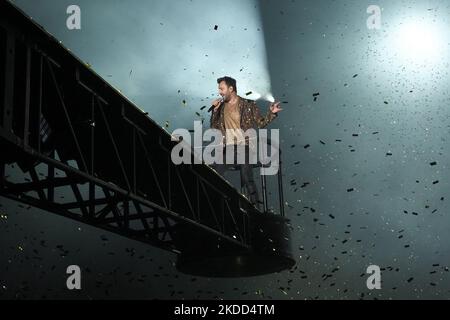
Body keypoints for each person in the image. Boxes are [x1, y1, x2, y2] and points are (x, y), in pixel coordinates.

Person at [210, 76, 282, 210]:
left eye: (222, 88)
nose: (219, 91)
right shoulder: (220, 108)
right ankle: (217, 204)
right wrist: (214, 110)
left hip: (245, 146)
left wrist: (271, 113)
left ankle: (256, 208)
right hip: (229, 148)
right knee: (215, 172)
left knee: (246, 174)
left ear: (231, 89)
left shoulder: (248, 104)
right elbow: (214, 128)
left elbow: (260, 123)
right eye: (219, 89)